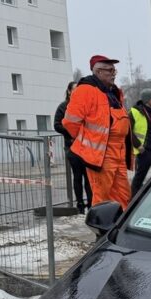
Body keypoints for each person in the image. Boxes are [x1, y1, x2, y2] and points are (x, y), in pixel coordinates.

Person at [62, 55, 133, 210]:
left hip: (118, 151)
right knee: (102, 198)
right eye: (110, 70)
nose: (114, 73)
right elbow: (70, 122)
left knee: (123, 195)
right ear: (99, 71)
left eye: (114, 70)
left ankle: (119, 227)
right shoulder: (85, 90)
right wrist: (88, 143)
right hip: (102, 154)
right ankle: (102, 231)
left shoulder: (113, 92)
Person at [54, 81, 93, 213]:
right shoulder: (63, 107)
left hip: (87, 147)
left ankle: (91, 203)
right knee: (78, 176)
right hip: (72, 146)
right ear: (69, 91)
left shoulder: (86, 105)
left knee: (89, 177)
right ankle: (80, 204)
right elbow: (57, 125)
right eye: (75, 89)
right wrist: (70, 133)